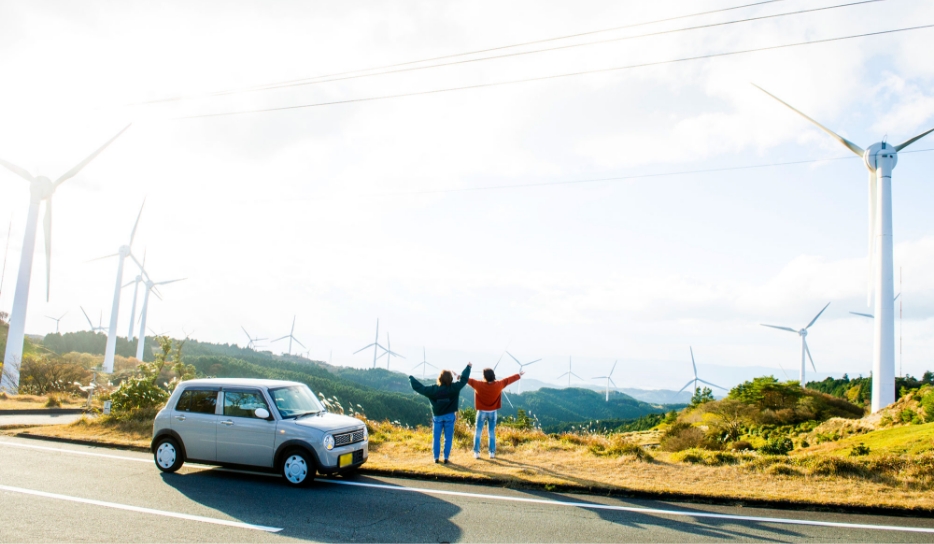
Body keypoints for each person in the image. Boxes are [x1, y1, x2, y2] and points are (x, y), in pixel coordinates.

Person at [409, 363, 472, 464]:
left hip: (437, 417)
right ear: (450, 378)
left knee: (436, 438)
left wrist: (411, 379)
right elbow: (463, 380)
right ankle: (446, 458)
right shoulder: (454, 388)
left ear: (440, 378)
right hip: (449, 417)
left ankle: (436, 458)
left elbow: (420, 388)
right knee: (448, 438)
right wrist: (468, 368)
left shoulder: (433, 389)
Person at [468, 367, 522, 459]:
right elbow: (508, 380)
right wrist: (519, 375)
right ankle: (492, 453)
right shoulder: (499, 384)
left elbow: (467, 380)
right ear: (493, 375)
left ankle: (476, 453)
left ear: (484, 376)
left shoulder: (478, 384)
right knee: (491, 432)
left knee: (478, 432)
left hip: (481, 412)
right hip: (493, 412)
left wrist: (458, 376)